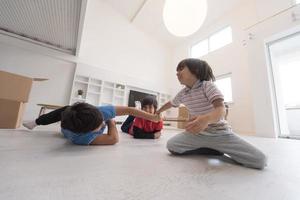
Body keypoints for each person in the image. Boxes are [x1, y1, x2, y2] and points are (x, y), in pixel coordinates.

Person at [156, 58, 267, 169]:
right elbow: (170, 103)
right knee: (172, 146)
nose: (177, 73)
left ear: (196, 70)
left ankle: (215, 146)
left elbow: (221, 109)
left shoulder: (207, 86)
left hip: (220, 134)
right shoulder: (182, 93)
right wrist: (158, 111)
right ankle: (209, 148)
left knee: (260, 161)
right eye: (177, 70)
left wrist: (206, 119)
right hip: (197, 134)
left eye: (181, 69)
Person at [23, 102, 161, 145]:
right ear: (88, 131)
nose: (102, 125)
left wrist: (152, 117)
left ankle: (36, 122)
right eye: (99, 125)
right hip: (65, 126)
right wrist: (111, 122)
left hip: (78, 113)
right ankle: (38, 121)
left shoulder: (100, 112)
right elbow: (113, 139)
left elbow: (129, 109)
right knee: (65, 110)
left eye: (101, 120)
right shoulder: (80, 138)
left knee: (68, 107)